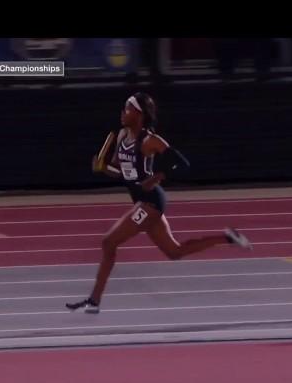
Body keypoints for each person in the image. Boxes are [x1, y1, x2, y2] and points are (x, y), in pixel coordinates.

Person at [66, 92, 252, 313]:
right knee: (174, 252)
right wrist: (102, 168)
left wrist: (157, 177)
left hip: (151, 202)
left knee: (109, 242)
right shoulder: (121, 137)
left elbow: (181, 163)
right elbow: (121, 173)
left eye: (127, 108)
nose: (122, 112)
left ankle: (94, 301)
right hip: (142, 202)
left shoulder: (149, 140)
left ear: (139, 114)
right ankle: (228, 237)